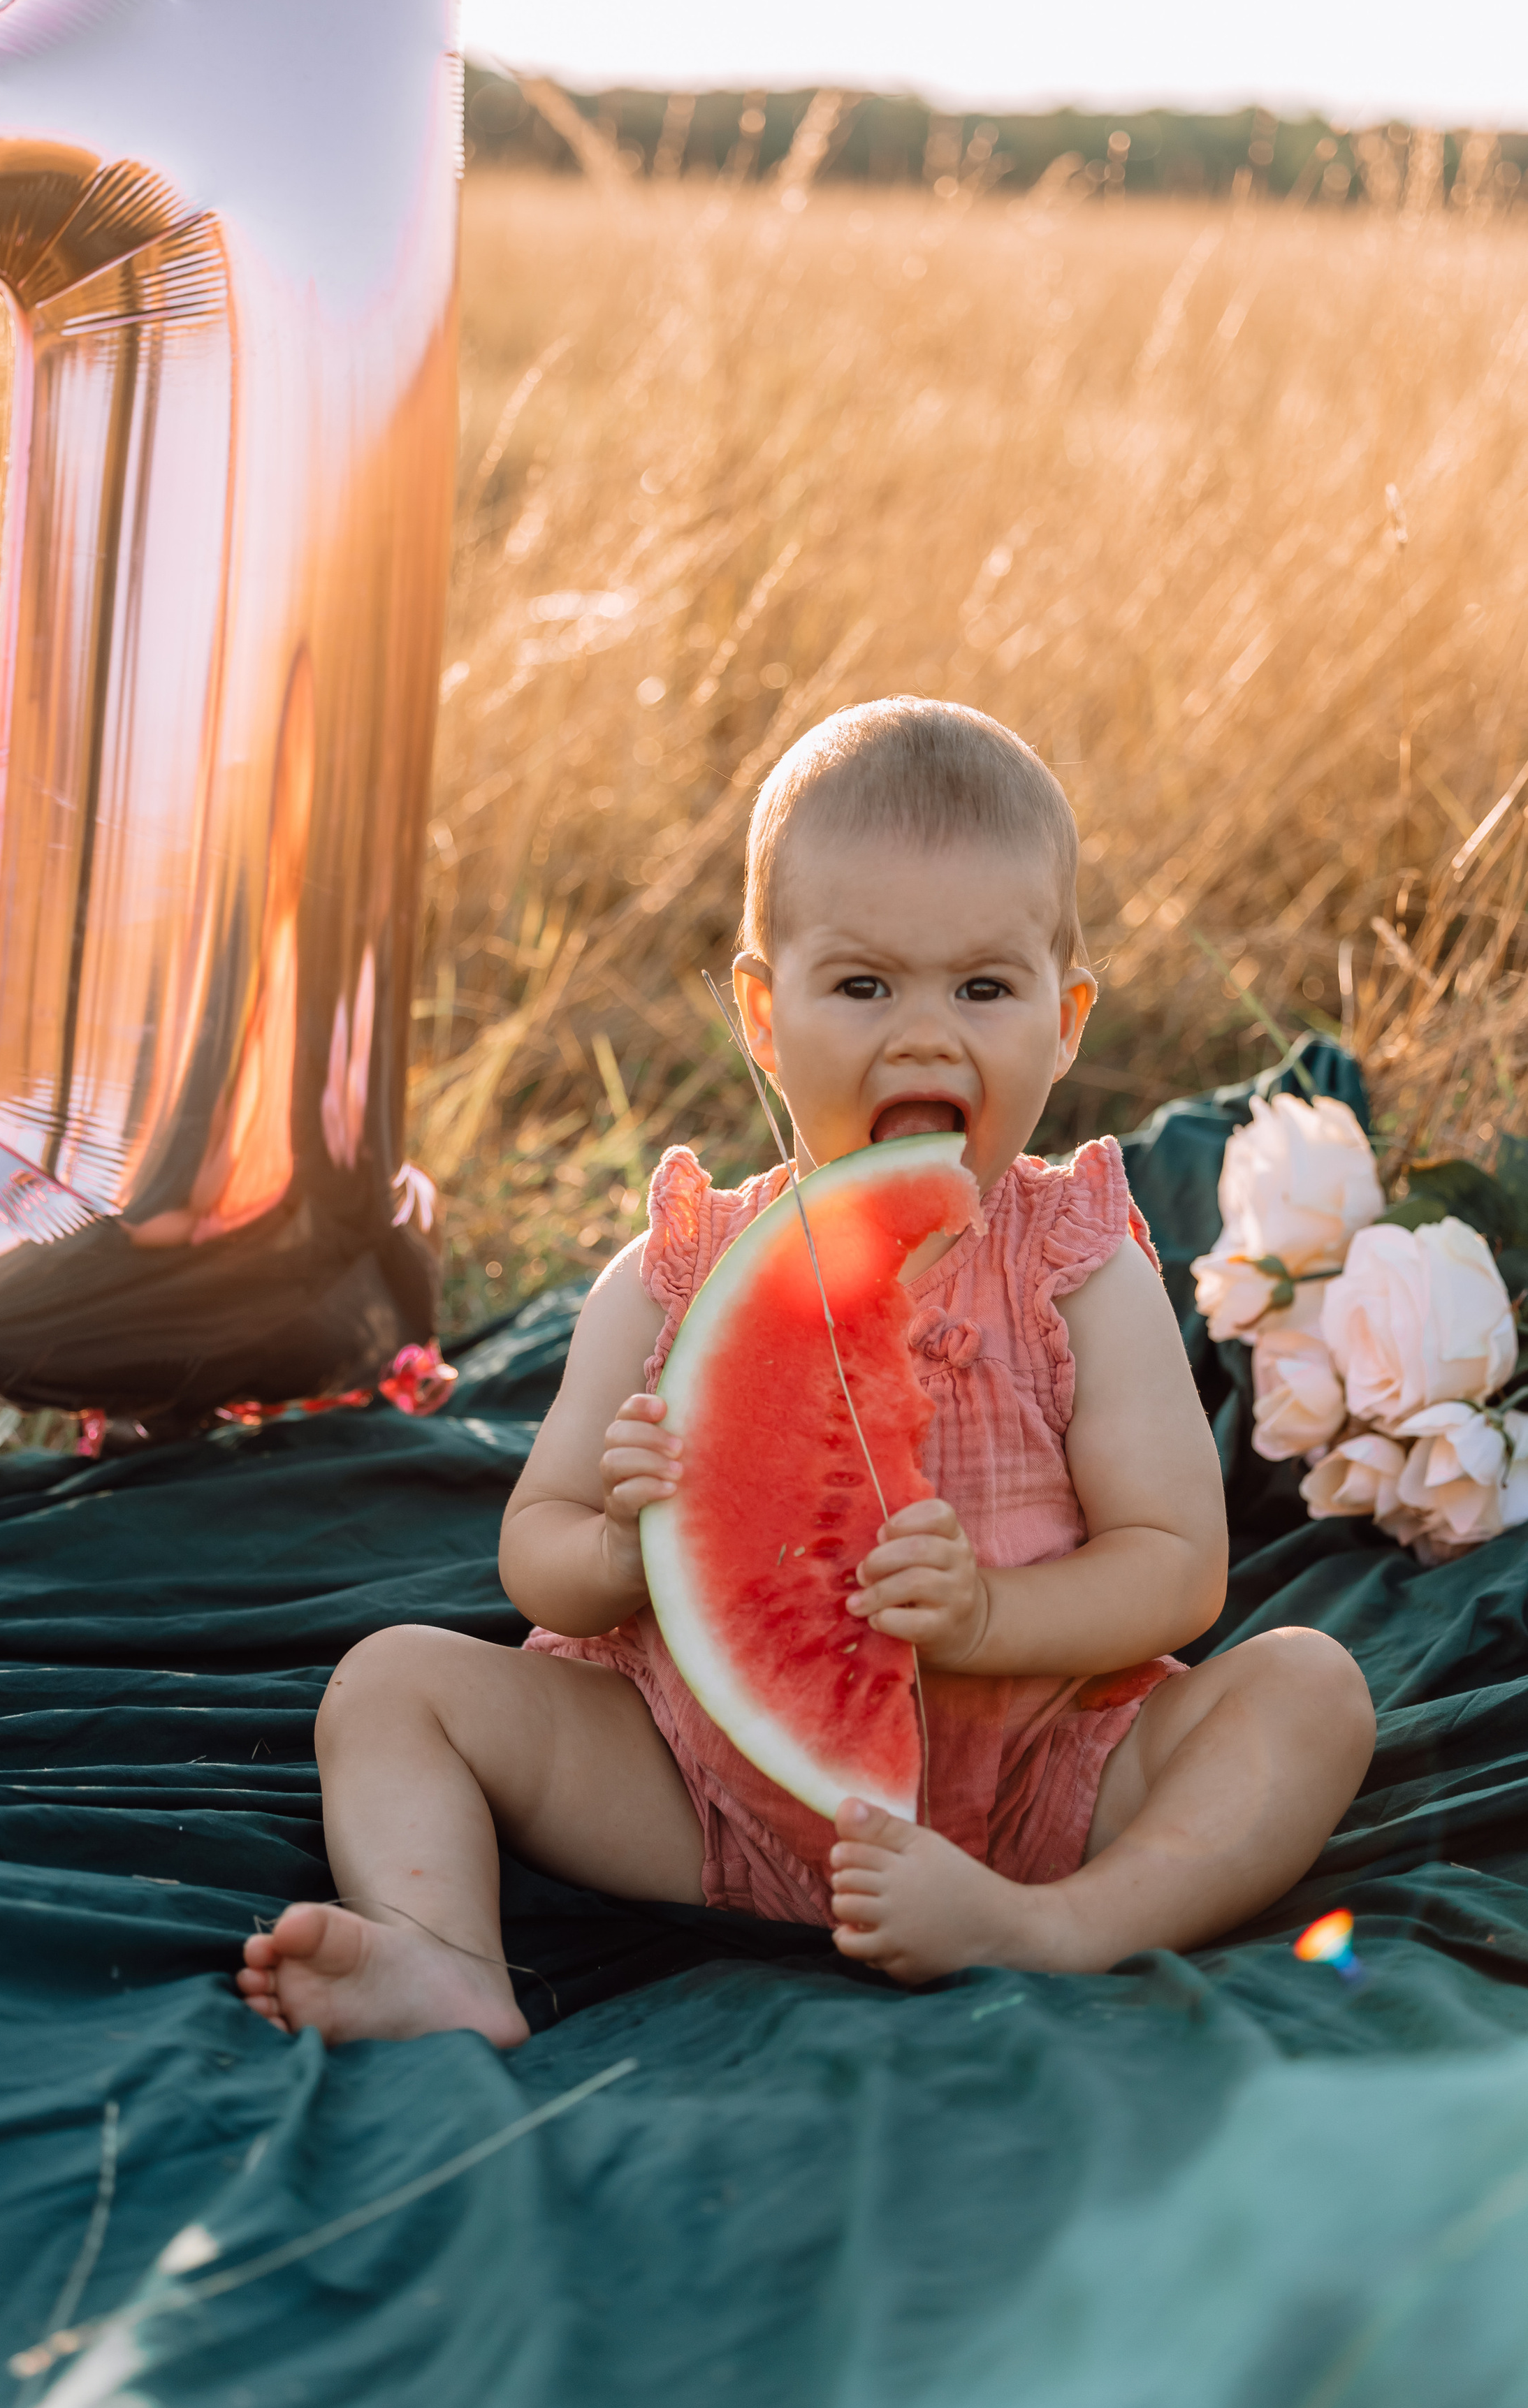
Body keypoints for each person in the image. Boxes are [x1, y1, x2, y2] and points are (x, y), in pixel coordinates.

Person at [238, 699, 1376, 2048]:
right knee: (394, 1681)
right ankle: (441, 1957)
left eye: (984, 988)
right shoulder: (680, 1275)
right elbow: (532, 1554)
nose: (924, 1036)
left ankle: (1061, 1928)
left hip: (1037, 1786)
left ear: (1065, 1021)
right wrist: (617, 1538)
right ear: (763, 1015)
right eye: (864, 985)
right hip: (699, 1782)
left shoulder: (1077, 1267)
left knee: (1309, 1689)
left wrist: (989, 1622)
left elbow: (1179, 1564)